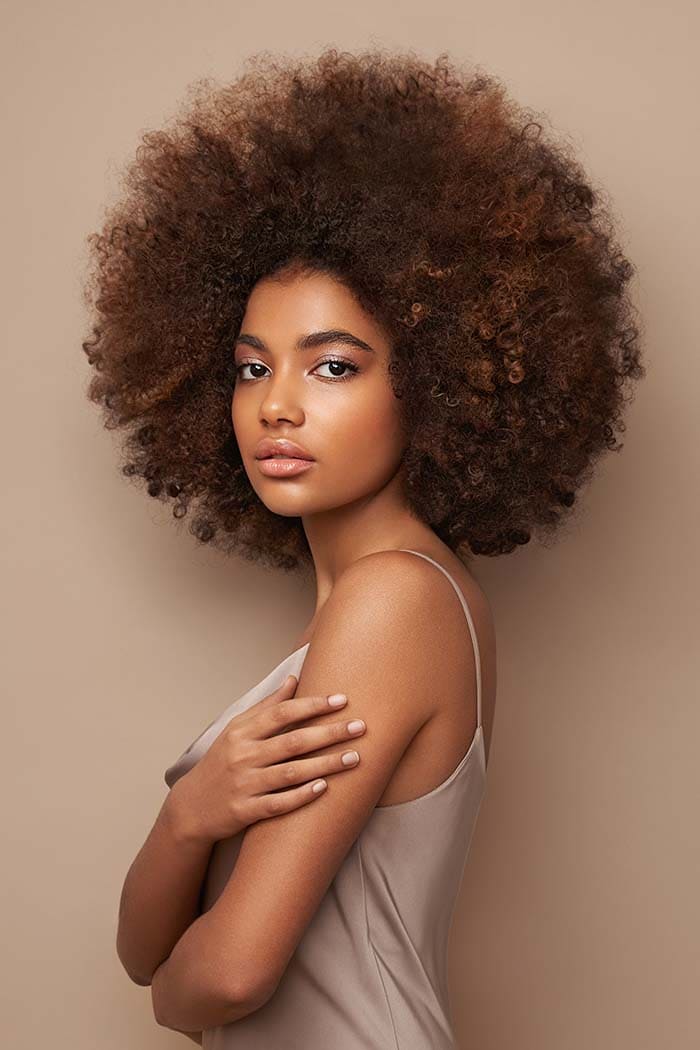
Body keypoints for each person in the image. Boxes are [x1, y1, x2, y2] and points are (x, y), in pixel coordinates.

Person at [82, 46, 644, 1048]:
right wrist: (188, 817)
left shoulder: (397, 602)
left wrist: (175, 992)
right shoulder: (383, 602)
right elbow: (142, 952)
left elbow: (224, 975)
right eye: (251, 368)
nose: (278, 406)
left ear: (432, 381)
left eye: (333, 365)